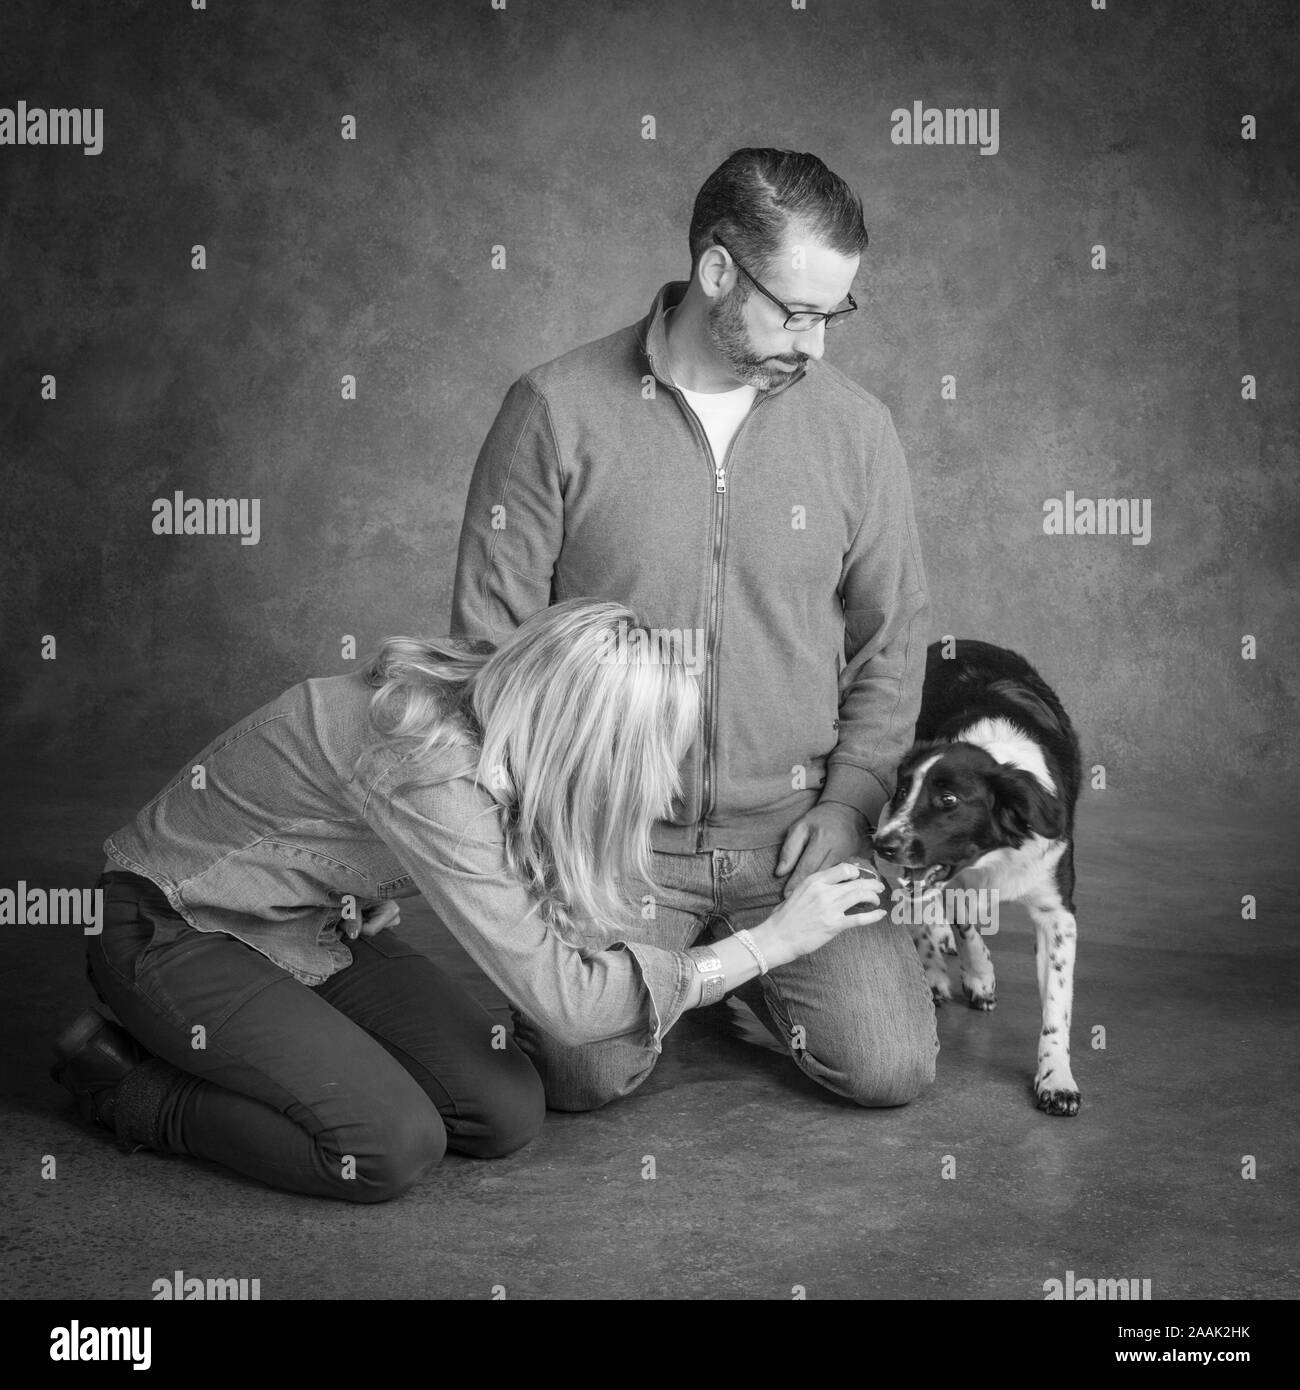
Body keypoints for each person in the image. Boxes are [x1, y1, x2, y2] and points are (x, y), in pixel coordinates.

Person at [50, 599, 886, 1202]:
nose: (666, 784)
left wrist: (344, 879)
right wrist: (772, 943)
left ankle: (264, 1047)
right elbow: (572, 1004)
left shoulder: (504, 705)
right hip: (171, 928)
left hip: (303, 923)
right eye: (654, 759)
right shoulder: (434, 767)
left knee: (504, 1111)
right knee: (384, 1148)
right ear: (587, 749)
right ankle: (132, 1088)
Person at [452, 148, 938, 1110]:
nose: (817, 345)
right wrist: (537, 828)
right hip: (612, 839)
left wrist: (848, 803)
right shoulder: (555, 409)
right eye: (797, 313)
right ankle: (713, 972)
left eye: (834, 315)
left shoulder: (857, 430)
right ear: (718, 272)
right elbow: (488, 644)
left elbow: (893, 639)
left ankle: (730, 972)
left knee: (890, 1067)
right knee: (582, 1075)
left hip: (793, 837)